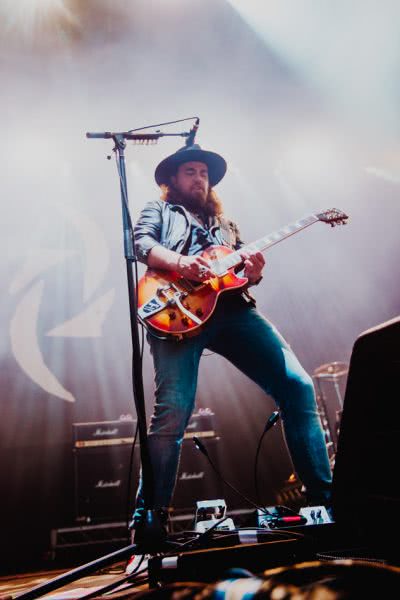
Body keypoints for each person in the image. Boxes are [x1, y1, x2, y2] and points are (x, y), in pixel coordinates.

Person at [130, 143, 332, 537]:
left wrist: (254, 273)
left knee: (298, 387)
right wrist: (179, 262)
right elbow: (142, 244)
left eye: (204, 173)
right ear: (172, 180)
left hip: (233, 311)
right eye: (190, 171)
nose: (199, 178)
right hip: (177, 311)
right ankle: (150, 522)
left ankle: (325, 505)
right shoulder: (159, 211)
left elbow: (240, 273)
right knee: (171, 414)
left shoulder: (227, 226)